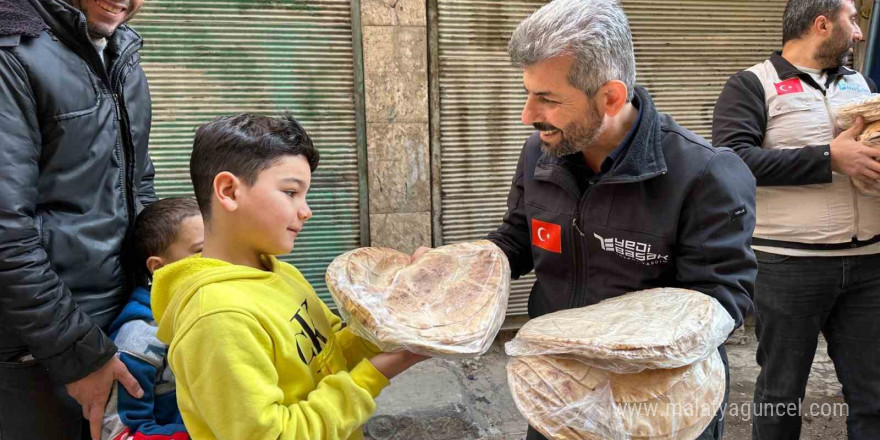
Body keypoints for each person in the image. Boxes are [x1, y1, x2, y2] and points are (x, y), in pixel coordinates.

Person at [415, 0, 756, 438]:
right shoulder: (542, 152)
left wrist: (617, 353)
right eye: (527, 92)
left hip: (657, 405)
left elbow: (722, 298)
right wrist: (459, 266)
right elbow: (519, 238)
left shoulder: (705, 173)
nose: (528, 115)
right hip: (558, 391)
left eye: (547, 99)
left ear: (610, 96)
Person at [150, 113, 427, 440]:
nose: (306, 210)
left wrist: (399, 307)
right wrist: (377, 373)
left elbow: (330, 353)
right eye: (291, 192)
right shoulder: (216, 319)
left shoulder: (281, 272)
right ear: (228, 191)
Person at [712, 0, 880, 438]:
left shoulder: (858, 82)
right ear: (822, 24)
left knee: (874, 394)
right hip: (788, 267)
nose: (859, 34)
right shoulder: (752, 84)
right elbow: (733, 162)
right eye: (852, 21)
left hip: (870, 264)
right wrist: (830, 159)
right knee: (780, 394)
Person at [0, 0, 155, 439]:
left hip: (117, 329)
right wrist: (78, 355)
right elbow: (6, 231)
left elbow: (139, 180)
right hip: (41, 351)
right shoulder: (11, 54)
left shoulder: (118, 51)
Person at [101, 197, 203, 440]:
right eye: (201, 251)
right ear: (158, 267)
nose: (219, 260)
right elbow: (121, 432)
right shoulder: (139, 337)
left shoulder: (212, 311)